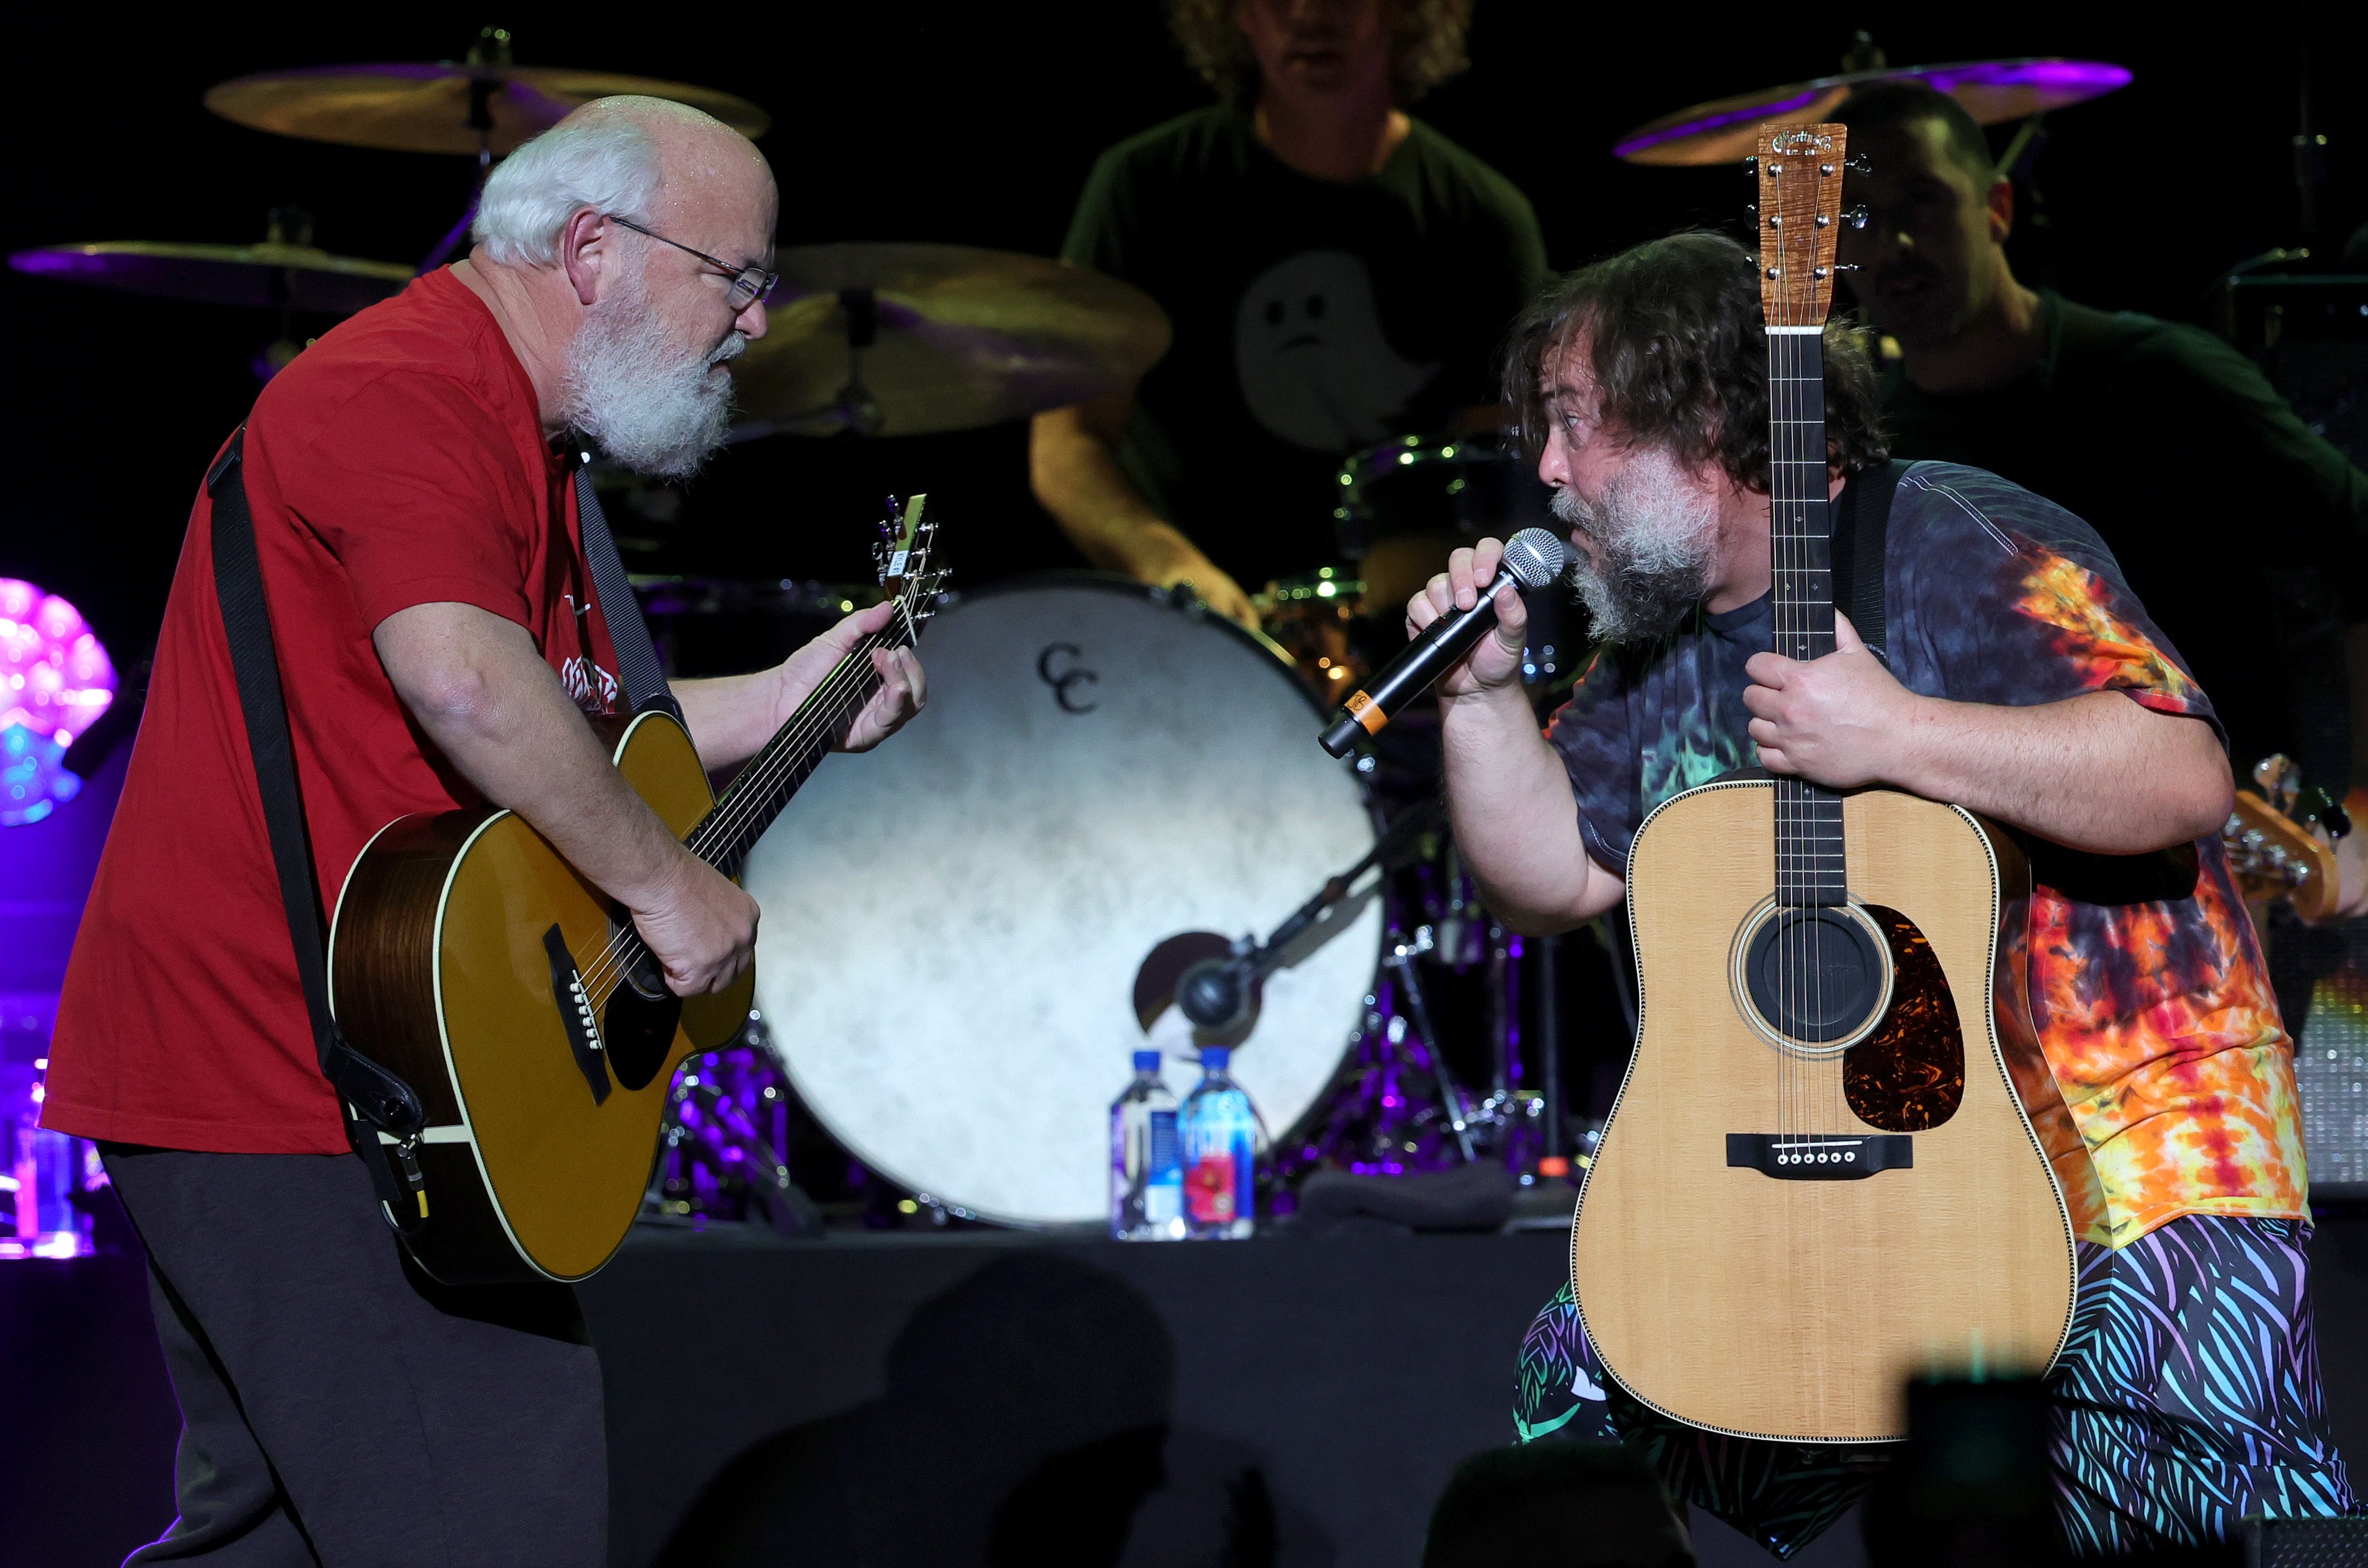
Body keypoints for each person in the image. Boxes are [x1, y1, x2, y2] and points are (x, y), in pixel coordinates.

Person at [39, 98, 925, 1566]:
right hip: (292, 1070)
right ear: (590, 250)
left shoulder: (527, 435)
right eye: (736, 277)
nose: (755, 325)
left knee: (270, 1541)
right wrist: (662, 892)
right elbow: (463, 682)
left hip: (341, 1066)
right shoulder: (403, 387)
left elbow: (555, 718)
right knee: (489, 1515)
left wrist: (779, 701)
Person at [1420, 232, 2352, 1555]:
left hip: (2118, 1149)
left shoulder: (1960, 540)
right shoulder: (1661, 637)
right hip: (1835, 1153)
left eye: (1576, 427)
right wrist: (1479, 699)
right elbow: (1556, 876)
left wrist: (1905, 734)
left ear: (1701, 417)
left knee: (2140, 1510)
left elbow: (2185, 774)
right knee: (1581, 1413)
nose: (1548, 472)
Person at [1831, 81, 2368, 922]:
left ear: (1997, 207)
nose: (1893, 244)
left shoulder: (2165, 378)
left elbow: (2356, 547)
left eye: (1922, 201)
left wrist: (2356, 800)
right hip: (1992, 909)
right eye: (1857, 219)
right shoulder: (1869, 452)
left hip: (2224, 874)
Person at [1030, 0, 1547, 627]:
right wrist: (1169, 565)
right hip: (1190, 637)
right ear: (1237, 14)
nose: (1307, 13)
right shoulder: (1145, 186)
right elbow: (1065, 442)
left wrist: (1397, 597)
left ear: (1404, 10)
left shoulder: (1481, 217)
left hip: (1402, 643)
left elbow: (1502, 476)